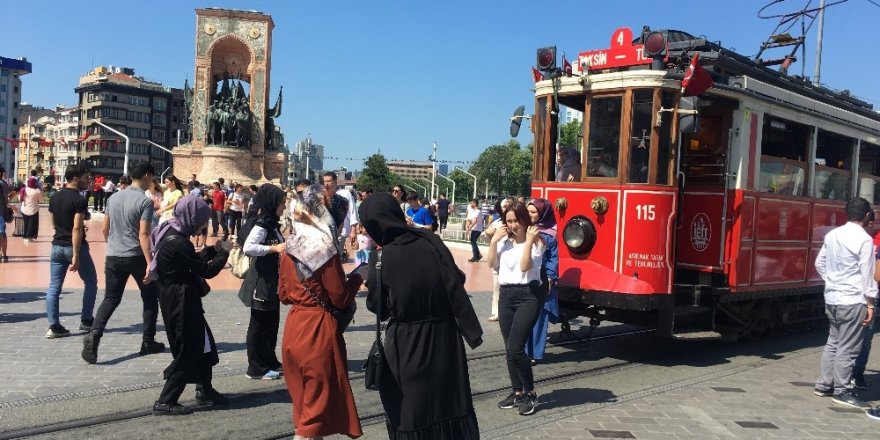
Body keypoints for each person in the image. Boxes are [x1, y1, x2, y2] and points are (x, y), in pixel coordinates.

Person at [360, 192, 483, 439]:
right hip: (445, 338)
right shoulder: (431, 241)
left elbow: (378, 308)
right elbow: (456, 279)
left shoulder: (382, 258)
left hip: (408, 344)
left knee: (411, 412)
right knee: (449, 405)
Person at [278, 183, 365, 439]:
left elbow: (283, 295)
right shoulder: (324, 250)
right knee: (317, 408)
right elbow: (340, 297)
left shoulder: (289, 247)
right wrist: (359, 276)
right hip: (317, 329)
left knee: (303, 403)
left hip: (294, 326)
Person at [149, 195, 230, 416]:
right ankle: (166, 399)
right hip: (180, 302)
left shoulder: (173, 233)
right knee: (190, 349)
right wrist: (224, 253)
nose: (204, 225)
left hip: (180, 298)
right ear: (192, 217)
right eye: (203, 220)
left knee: (205, 344)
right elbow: (206, 271)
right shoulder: (178, 242)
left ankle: (205, 390)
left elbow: (192, 261)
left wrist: (213, 250)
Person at [82, 163, 165, 364]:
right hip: (136, 256)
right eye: (152, 178)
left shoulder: (113, 198)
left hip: (114, 255)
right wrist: (150, 263)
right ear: (146, 176)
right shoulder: (144, 202)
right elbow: (144, 234)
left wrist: (112, 245)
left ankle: (95, 333)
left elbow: (105, 228)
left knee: (110, 298)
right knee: (150, 298)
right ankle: (147, 342)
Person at [814, 197, 876, 409]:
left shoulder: (833, 235)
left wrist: (831, 280)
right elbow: (867, 275)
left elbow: (819, 262)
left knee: (833, 341)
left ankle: (823, 385)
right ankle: (842, 390)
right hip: (852, 299)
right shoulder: (865, 240)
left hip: (831, 297)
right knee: (849, 347)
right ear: (867, 215)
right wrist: (871, 303)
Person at [488, 201, 545, 416]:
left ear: (525, 220)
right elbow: (491, 264)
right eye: (509, 221)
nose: (513, 225)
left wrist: (528, 242)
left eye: (516, 220)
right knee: (508, 348)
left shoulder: (537, 243)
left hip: (527, 297)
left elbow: (524, 267)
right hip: (506, 296)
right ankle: (517, 392)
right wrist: (494, 241)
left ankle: (530, 393)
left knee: (516, 348)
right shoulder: (504, 243)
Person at [238, 184, 287, 380]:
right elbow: (249, 247)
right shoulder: (262, 225)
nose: (284, 206)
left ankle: (270, 360)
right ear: (272, 203)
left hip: (271, 281)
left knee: (271, 324)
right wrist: (274, 249)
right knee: (259, 326)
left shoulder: (272, 223)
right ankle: (256, 367)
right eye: (282, 203)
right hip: (261, 283)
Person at [45, 163, 98, 338]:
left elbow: (54, 224)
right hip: (75, 247)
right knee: (90, 281)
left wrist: (71, 230)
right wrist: (75, 254)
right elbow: (76, 229)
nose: (88, 180)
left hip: (56, 246)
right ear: (75, 179)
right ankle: (86, 320)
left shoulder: (54, 197)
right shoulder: (79, 200)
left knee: (54, 286)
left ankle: (54, 326)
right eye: (85, 177)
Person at [525, 198, 560, 364]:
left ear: (542, 213)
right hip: (525, 279)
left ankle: (534, 354)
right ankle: (523, 352)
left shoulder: (550, 235)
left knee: (539, 319)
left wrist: (551, 278)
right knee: (524, 318)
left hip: (542, 280)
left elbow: (553, 259)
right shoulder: (522, 229)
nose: (530, 215)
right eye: (529, 211)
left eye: (534, 212)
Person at [483, 198, 512, 321]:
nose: (507, 208)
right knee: (497, 286)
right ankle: (496, 312)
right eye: (504, 206)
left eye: (509, 205)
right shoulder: (496, 223)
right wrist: (490, 233)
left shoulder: (516, 222)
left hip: (511, 260)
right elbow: (486, 237)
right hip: (498, 259)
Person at [323, 172, 359, 260]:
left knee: (336, 258)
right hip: (325, 233)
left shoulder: (345, 194)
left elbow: (353, 212)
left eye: (329, 181)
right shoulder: (322, 195)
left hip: (341, 232)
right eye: (325, 181)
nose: (326, 183)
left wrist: (353, 231)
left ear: (335, 181)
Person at [21, 176, 41, 243]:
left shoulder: (24, 189)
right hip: (33, 209)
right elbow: (41, 200)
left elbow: (20, 198)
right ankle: (29, 237)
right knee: (32, 224)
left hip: (24, 209)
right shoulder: (37, 191)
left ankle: (25, 236)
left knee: (26, 223)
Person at [0, 166, 11, 262]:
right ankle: (4, 255)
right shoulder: (4, 184)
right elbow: (6, 198)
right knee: (2, 234)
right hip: (1, 213)